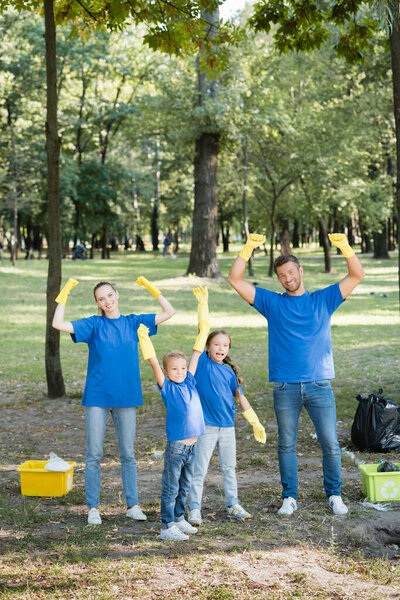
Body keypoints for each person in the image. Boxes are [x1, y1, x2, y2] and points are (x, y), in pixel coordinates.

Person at [227, 233, 365, 516]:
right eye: (281, 275)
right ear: (278, 279)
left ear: (300, 271)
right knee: (286, 444)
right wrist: (248, 248)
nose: (287, 278)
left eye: (291, 272)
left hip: (318, 385)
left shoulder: (323, 299)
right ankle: (289, 497)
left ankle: (335, 494)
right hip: (285, 387)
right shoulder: (272, 303)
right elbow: (235, 280)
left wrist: (344, 247)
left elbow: (356, 274)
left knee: (329, 442)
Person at [52, 275, 175, 525]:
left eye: (110, 295)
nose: (107, 301)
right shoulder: (94, 325)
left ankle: (132, 505)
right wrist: (64, 295)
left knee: (128, 454)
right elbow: (58, 323)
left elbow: (169, 311)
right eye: (101, 298)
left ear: (117, 295)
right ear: (97, 303)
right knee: (94, 454)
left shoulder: (134, 322)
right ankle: (93, 508)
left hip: (126, 396)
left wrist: (151, 287)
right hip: (97, 397)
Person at [137, 287, 210, 541]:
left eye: (181, 368)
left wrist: (203, 304)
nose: (179, 372)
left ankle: (179, 518)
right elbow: (154, 362)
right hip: (177, 447)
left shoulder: (190, 381)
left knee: (185, 485)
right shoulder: (167, 387)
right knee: (170, 487)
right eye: (174, 369)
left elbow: (199, 346)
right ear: (168, 373)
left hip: (193, 445)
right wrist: (144, 339)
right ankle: (166, 526)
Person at [187, 323, 267, 527]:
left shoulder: (229, 373)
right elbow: (201, 333)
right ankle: (194, 509)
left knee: (229, 468)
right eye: (216, 344)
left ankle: (233, 505)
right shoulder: (202, 364)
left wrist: (254, 421)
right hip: (206, 427)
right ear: (207, 347)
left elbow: (240, 397)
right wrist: (202, 309)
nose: (221, 349)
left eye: (225, 345)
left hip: (227, 428)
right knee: (200, 470)